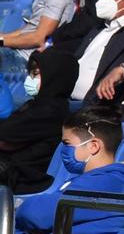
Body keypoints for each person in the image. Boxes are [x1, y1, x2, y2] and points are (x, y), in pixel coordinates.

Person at [6, 108, 124, 234]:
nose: (64, 149)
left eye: (67, 143)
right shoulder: (94, 180)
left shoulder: (105, 183)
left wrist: (24, 207)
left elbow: (38, 215)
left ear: (93, 146)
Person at [0, 49, 76, 193]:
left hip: (22, 177)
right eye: (30, 73)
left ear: (54, 75)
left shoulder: (49, 111)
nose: (30, 79)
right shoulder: (38, 105)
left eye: (36, 74)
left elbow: (6, 141)